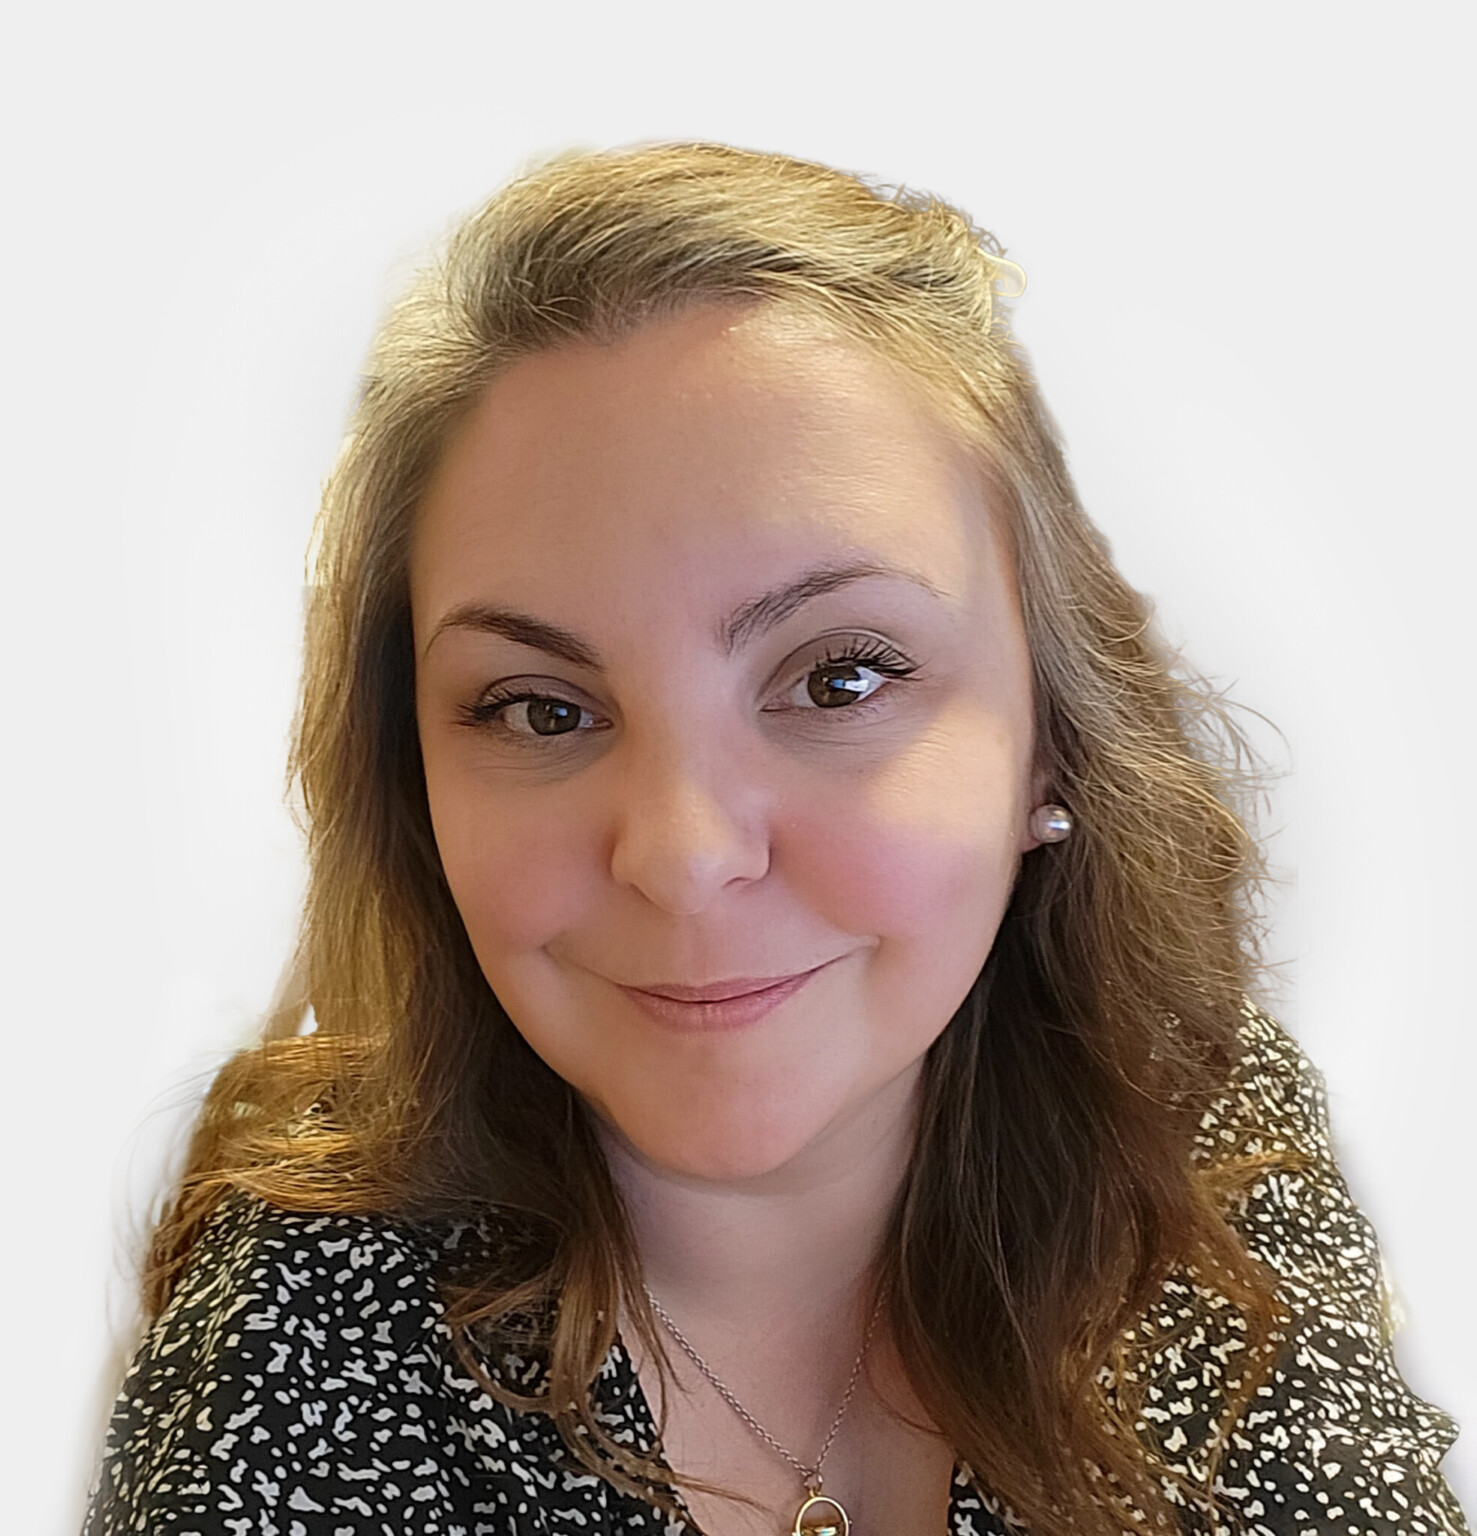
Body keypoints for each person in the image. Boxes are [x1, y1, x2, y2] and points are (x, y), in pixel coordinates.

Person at [83, 141, 1469, 1536]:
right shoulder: (289, 1339)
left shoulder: (1198, 1141)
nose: (682, 855)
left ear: (1048, 737)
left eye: (839, 679)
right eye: (541, 709)